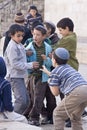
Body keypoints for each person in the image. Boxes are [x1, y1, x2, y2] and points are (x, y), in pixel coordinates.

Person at [40, 47, 87, 130]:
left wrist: (49, 81)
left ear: (54, 60)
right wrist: (48, 73)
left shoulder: (55, 71)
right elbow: (59, 76)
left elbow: (55, 93)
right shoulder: (68, 67)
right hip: (85, 89)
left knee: (58, 114)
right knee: (75, 115)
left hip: (76, 92)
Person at [4, 24, 39, 115]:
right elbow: (14, 63)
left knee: (26, 101)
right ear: (12, 36)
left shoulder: (18, 44)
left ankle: (17, 117)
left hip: (20, 76)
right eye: (18, 36)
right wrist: (30, 65)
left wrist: (26, 53)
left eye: (22, 36)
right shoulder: (12, 47)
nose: (20, 38)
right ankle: (12, 117)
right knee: (22, 101)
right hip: (14, 76)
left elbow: (20, 54)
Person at [25, 25, 56, 126]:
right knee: (37, 97)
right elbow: (25, 62)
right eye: (34, 34)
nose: (35, 37)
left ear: (44, 36)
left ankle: (51, 116)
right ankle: (34, 117)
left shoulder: (48, 48)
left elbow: (51, 64)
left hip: (46, 76)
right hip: (35, 76)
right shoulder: (28, 47)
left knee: (50, 98)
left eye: (38, 35)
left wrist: (46, 59)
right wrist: (27, 57)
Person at [54, 17, 79, 127]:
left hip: (69, 67)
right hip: (69, 67)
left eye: (61, 30)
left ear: (67, 28)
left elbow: (56, 47)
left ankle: (71, 115)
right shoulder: (70, 37)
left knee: (68, 94)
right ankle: (73, 114)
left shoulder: (69, 39)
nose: (59, 33)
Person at [0, 56, 28, 123]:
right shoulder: (4, 83)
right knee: (23, 120)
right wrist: (11, 110)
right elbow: (7, 105)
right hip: (1, 113)